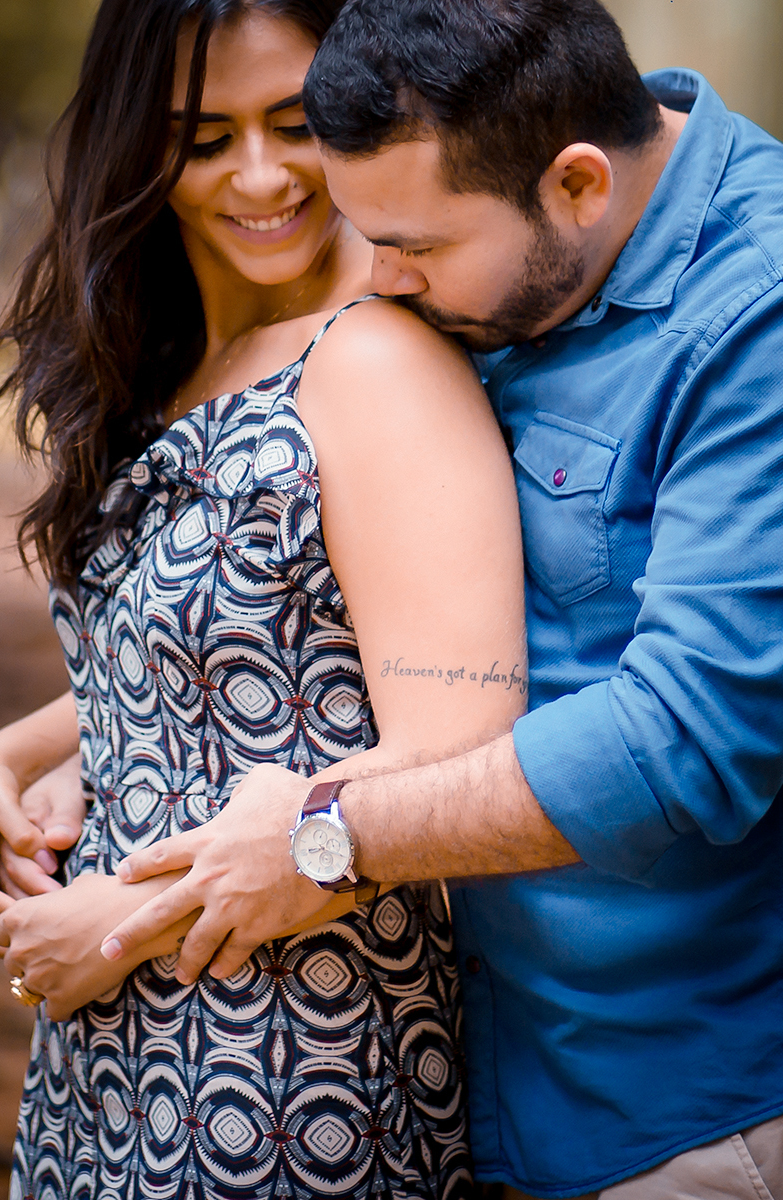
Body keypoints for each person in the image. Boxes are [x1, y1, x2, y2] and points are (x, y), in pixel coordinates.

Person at [58, 1, 783, 1198]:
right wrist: (63, 743)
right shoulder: (499, 211)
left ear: (578, 187)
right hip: (469, 1084)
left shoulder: (752, 313)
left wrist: (323, 835)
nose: (377, 283)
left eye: (413, 249)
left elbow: (686, 739)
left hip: (681, 1115)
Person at [0, 0, 531, 1196]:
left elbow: (454, 752)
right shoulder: (179, 363)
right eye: (204, 137)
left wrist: (117, 923)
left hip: (289, 1056)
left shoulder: (374, 363)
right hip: (114, 1043)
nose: (260, 176)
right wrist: (9, 756)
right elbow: (227, 656)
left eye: (294, 124)